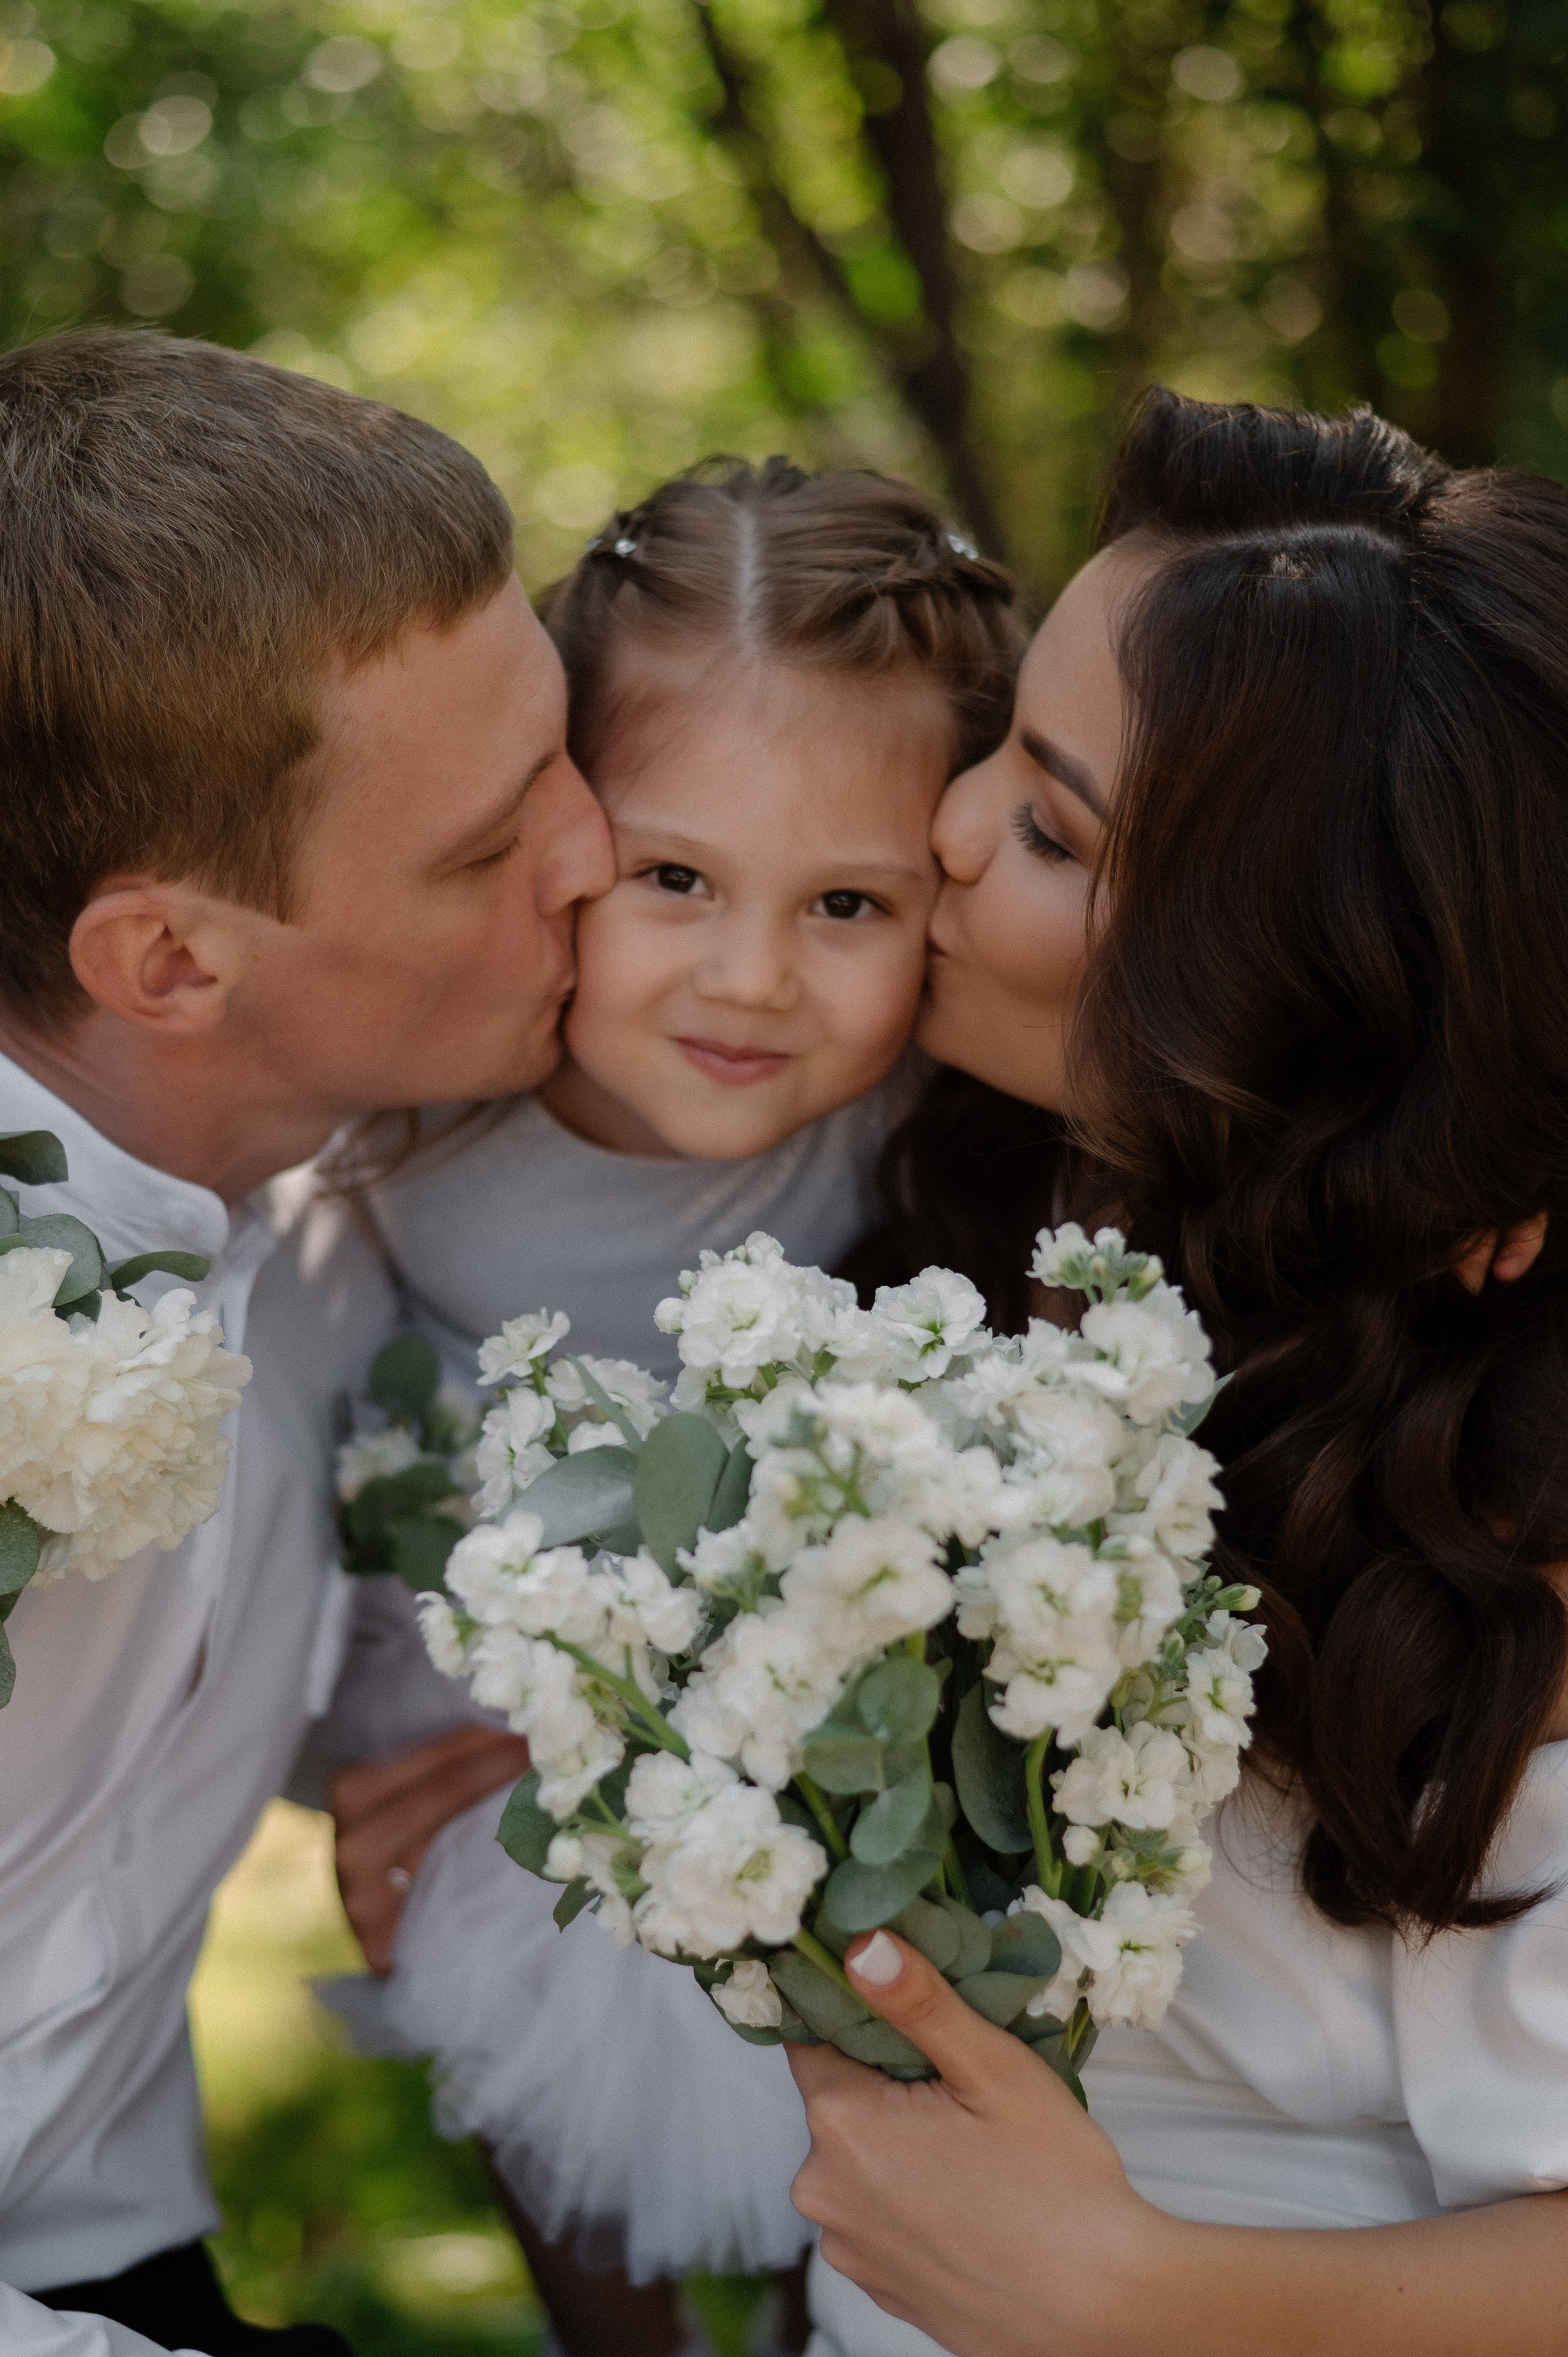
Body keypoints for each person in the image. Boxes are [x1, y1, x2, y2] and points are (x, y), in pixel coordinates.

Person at [783, 390, 1568, 2355]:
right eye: (998, 758)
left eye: (1051, 825)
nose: (941, 835)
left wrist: (1132, 2302)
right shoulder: (939, 1192)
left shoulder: (1513, 1519)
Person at [316, 459, 1023, 2357]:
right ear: (560, 840)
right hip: (502, 1730)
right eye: (677, 876)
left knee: (872, 2214)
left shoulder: (929, 1137)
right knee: (556, 2108)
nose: (753, 979)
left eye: (849, 902)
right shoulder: (411, 1117)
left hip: (847, 1752)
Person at [0, 328, 607, 2357]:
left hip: (122, 2257)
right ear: (168, 959)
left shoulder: (352, 1229)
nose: (595, 860)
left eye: (567, 757)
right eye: (487, 844)